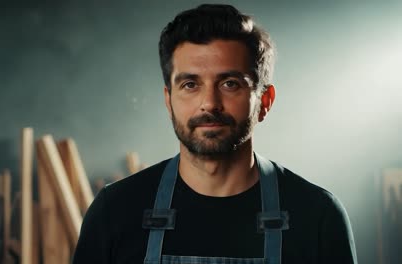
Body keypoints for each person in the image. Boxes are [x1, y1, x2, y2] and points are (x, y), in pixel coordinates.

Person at [73, 4, 358, 264]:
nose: (209, 102)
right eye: (189, 85)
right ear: (168, 100)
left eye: (230, 83)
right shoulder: (115, 212)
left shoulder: (318, 217)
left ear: (265, 101)